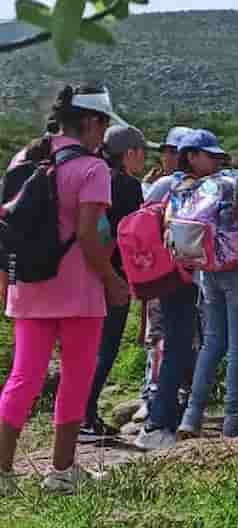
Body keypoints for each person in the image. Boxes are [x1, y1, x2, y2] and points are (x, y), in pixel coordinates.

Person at [0, 85, 128, 495]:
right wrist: (112, 281)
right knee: (75, 377)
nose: (104, 135)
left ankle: (2, 473)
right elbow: (89, 235)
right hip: (78, 292)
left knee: (22, 377)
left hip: (29, 286)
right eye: (104, 126)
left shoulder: (23, 157)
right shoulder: (93, 169)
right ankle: (62, 472)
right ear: (91, 122)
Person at [133, 129, 235, 451]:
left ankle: (164, 417)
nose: (215, 161)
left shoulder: (178, 185)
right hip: (176, 278)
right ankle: (157, 424)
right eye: (210, 156)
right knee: (175, 347)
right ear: (191, 155)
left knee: (183, 346)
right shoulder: (182, 186)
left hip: (186, 277)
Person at [175, 138, 238, 440]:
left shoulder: (195, 186)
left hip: (207, 269)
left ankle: (191, 417)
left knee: (212, 344)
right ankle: (233, 419)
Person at [79, 125, 153, 441]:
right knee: (104, 348)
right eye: (142, 152)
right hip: (111, 278)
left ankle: (77, 416)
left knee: (81, 349)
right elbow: (130, 237)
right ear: (131, 153)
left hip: (79, 273)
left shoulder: (90, 176)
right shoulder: (126, 186)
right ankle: (84, 418)